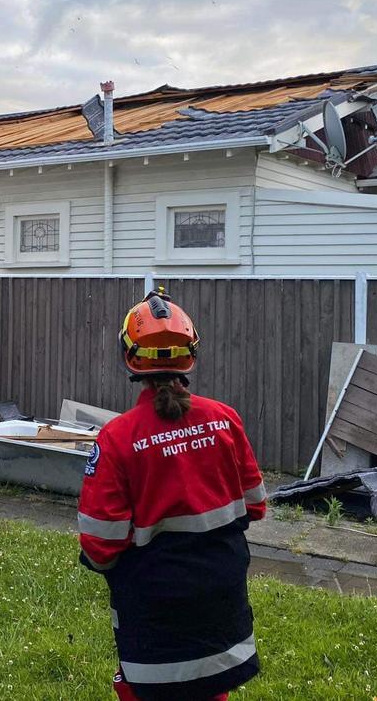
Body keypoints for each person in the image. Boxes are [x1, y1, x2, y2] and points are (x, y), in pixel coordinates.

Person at [77, 289, 266, 701]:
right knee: (212, 681)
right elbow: (255, 504)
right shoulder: (224, 419)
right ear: (191, 352)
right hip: (221, 587)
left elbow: (101, 542)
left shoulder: (117, 438)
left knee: (145, 687)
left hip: (152, 599)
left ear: (130, 357)